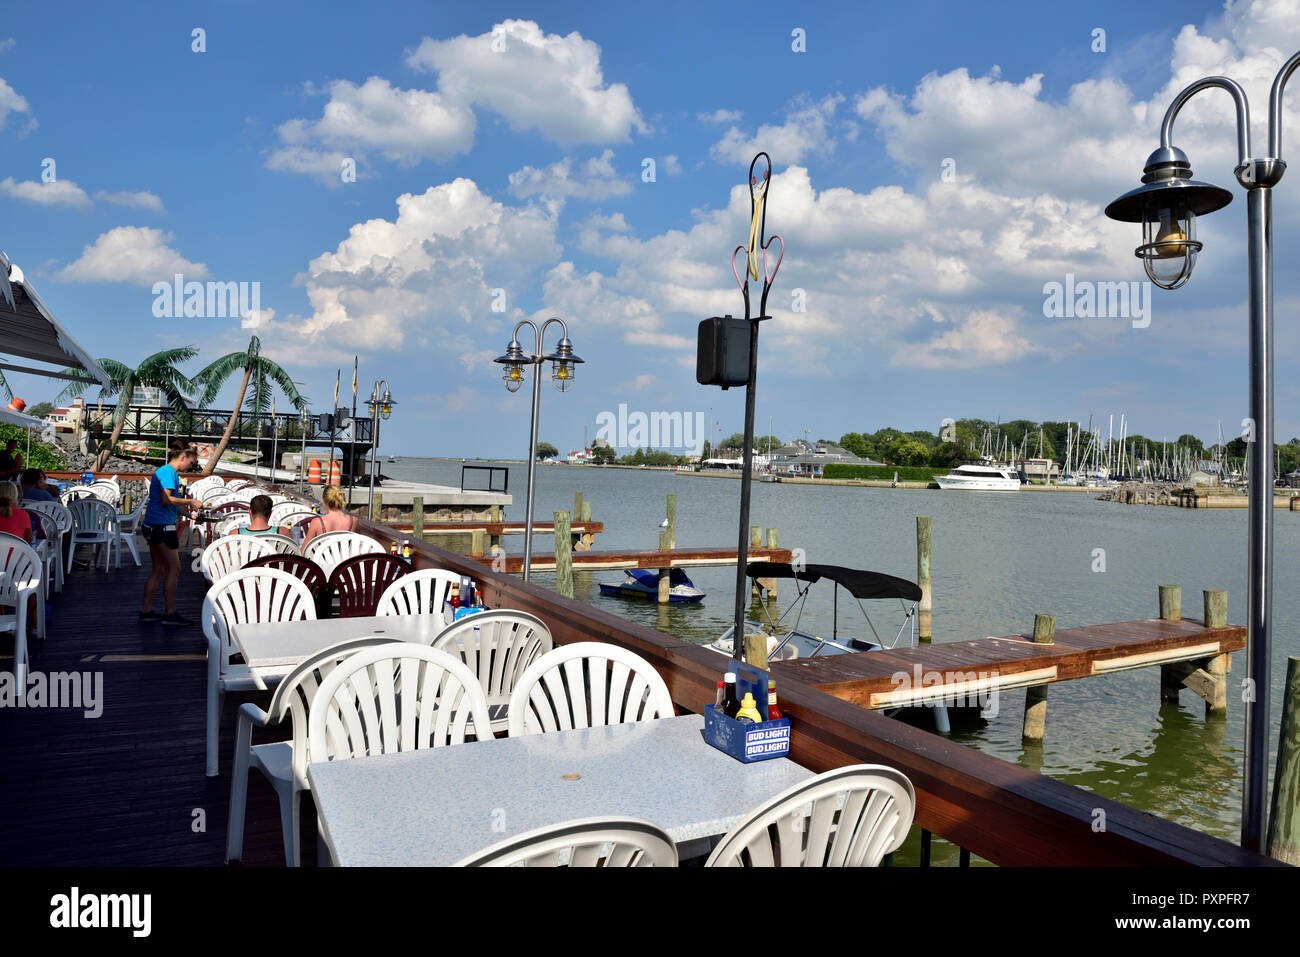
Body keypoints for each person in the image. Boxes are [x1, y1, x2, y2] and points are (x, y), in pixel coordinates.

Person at [140, 440, 202, 625]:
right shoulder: (168, 472)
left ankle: (146, 611)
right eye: (191, 463)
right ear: (183, 456)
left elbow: (169, 504)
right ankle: (170, 613)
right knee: (174, 569)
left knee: (159, 569)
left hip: (153, 526)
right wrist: (190, 502)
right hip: (162, 529)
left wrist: (188, 514)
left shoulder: (165, 472)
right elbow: (166, 499)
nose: (191, 467)